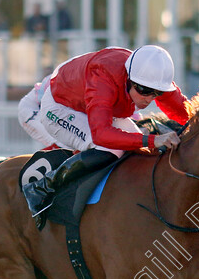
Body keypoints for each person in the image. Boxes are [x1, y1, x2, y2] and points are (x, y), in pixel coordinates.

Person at [20, 45, 189, 229]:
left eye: (156, 93)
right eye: (144, 91)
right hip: (59, 108)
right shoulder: (103, 75)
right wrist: (153, 140)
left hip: (87, 106)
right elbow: (101, 135)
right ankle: (43, 188)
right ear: (130, 79)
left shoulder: (148, 75)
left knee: (136, 144)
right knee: (111, 147)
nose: (149, 99)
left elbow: (185, 111)